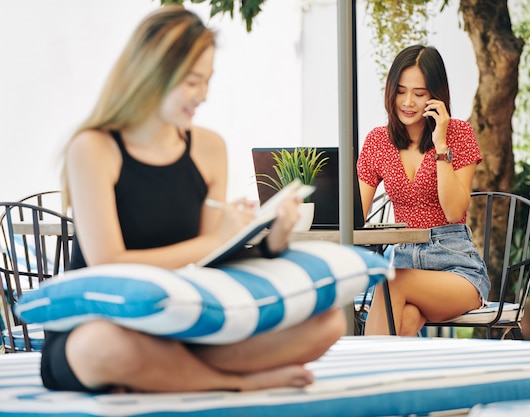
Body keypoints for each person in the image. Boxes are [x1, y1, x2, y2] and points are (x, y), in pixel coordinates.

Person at [41, 6, 346, 393]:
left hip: (177, 326)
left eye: (207, 81)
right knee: (104, 345)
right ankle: (229, 383)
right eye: (191, 81)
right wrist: (213, 240)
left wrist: (271, 237)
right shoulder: (94, 148)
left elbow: (205, 265)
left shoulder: (208, 148)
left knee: (329, 322)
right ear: (151, 74)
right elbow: (109, 264)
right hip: (102, 324)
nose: (202, 95)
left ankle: (165, 376)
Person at [356, 45, 490, 336]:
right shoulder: (377, 142)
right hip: (405, 263)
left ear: (436, 95)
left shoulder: (459, 134)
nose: (407, 102)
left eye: (419, 94)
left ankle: (361, 371)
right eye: (401, 91)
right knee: (404, 319)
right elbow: (355, 215)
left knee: (391, 282)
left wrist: (441, 145)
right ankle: (394, 379)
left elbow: (455, 210)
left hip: (456, 267)